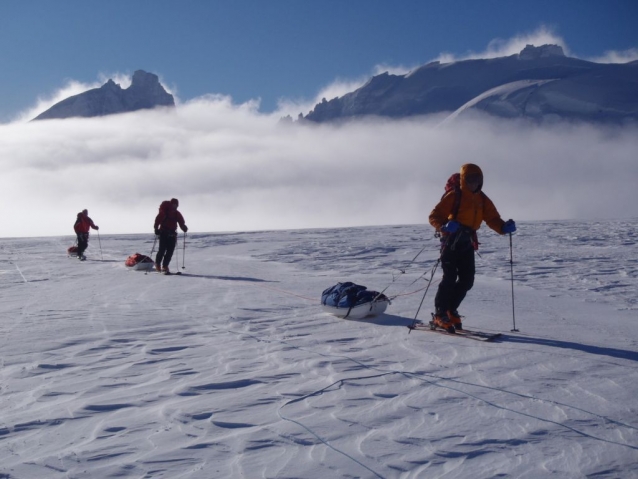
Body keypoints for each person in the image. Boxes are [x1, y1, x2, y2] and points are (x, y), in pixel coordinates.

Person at [428, 164, 516, 332]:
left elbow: (492, 218)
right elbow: (434, 216)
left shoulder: (482, 199)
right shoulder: (455, 196)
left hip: (467, 243)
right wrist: (443, 226)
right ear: (463, 180)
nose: (474, 183)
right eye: (470, 179)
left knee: (467, 280)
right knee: (449, 278)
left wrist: (503, 227)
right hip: (450, 242)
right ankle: (440, 314)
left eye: (477, 179)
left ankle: (450, 310)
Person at [154, 198, 188, 274]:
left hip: (172, 234)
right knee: (162, 250)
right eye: (174, 204)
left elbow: (181, 222)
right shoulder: (164, 212)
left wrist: (184, 227)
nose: (175, 206)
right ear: (171, 204)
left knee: (170, 251)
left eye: (176, 205)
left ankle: (165, 266)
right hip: (163, 233)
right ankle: (158, 264)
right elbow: (157, 220)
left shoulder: (177, 213)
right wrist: (156, 228)